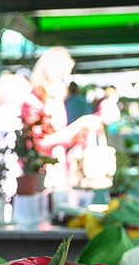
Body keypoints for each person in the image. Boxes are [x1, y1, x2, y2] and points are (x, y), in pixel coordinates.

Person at [19, 46, 104, 192]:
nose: (67, 80)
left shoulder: (55, 99)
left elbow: (59, 137)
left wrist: (77, 141)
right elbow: (37, 143)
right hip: (40, 175)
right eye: (64, 75)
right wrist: (78, 125)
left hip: (59, 171)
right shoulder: (34, 101)